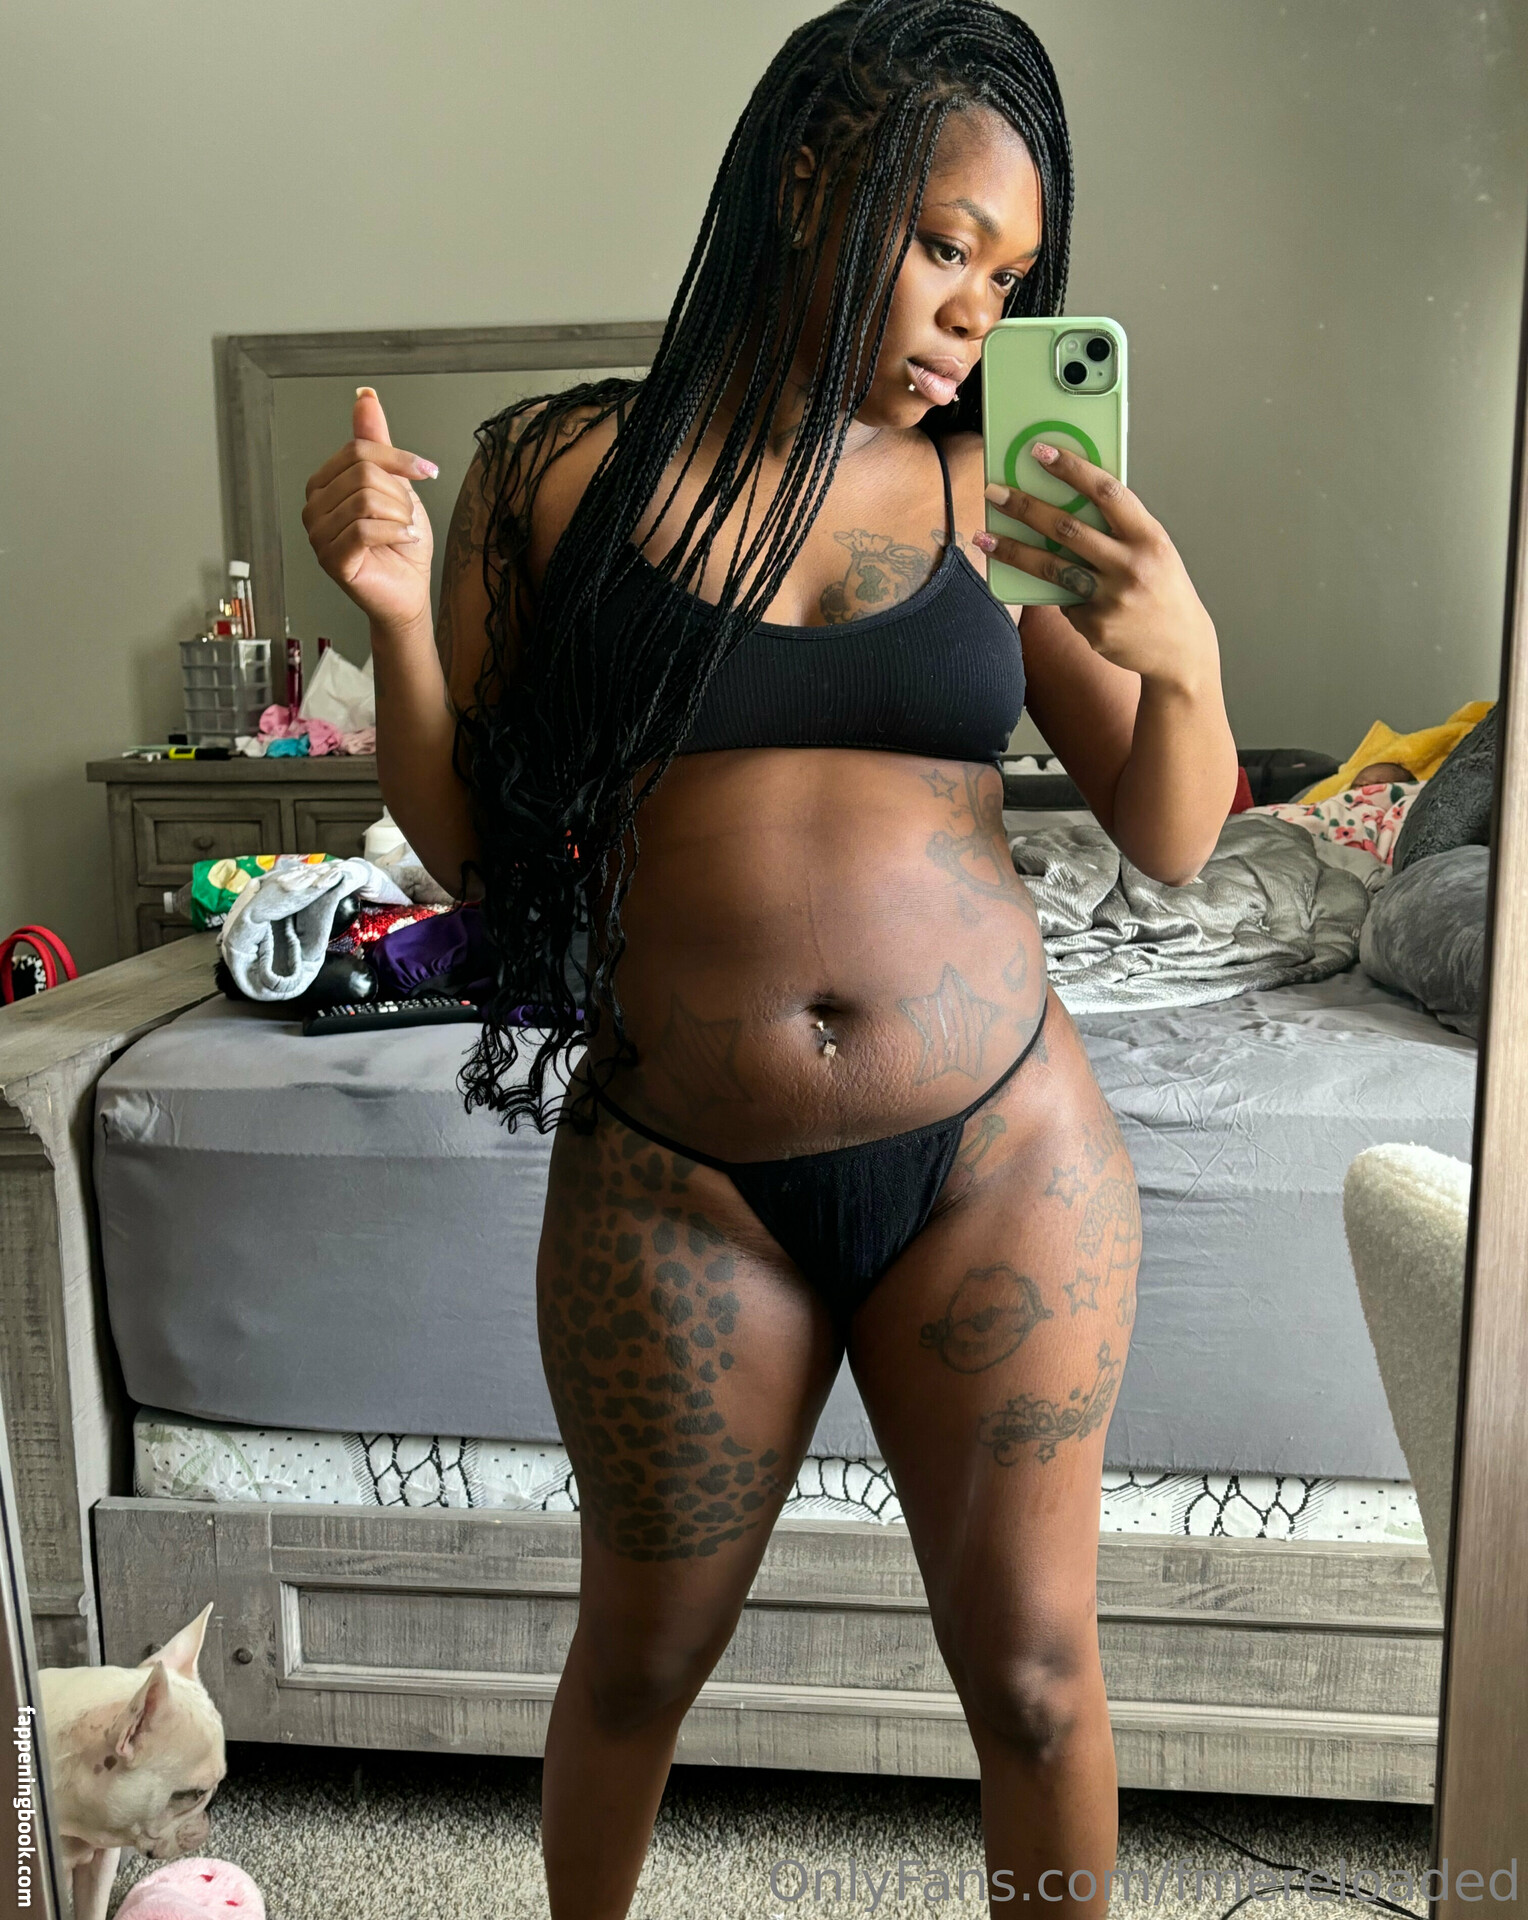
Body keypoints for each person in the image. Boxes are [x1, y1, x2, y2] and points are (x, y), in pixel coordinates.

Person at [303, 3, 1238, 1911]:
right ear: (813, 181)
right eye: (945, 244)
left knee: (1039, 1683)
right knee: (639, 1664)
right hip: (679, 1174)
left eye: (1011, 277)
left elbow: (1170, 831)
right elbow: (480, 856)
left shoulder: (999, 483)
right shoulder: (559, 469)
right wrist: (397, 624)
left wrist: (1189, 660)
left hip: (1002, 1155)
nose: (975, 312)